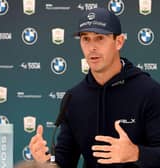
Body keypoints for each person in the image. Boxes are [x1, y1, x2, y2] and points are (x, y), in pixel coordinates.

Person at [29, 7, 160, 168]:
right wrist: (45, 162)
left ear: (119, 42)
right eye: (86, 39)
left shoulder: (149, 91)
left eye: (99, 38)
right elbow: (64, 161)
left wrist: (136, 153)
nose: (92, 48)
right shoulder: (73, 98)